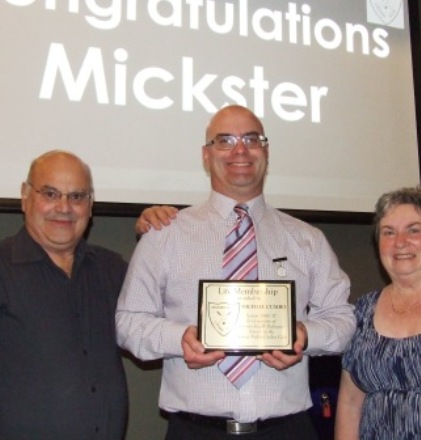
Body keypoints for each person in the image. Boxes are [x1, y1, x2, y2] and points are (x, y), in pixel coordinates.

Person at [116, 105, 356, 439]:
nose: (240, 150)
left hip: (288, 430)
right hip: (195, 430)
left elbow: (343, 320)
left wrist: (306, 335)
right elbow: (128, 322)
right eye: (225, 140)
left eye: (251, 139)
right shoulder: (165, 235)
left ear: (266, 152)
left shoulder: (308, 240)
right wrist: (178, 339)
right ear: (206, 155)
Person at [0, 150, 129, 439]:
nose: (64, 207)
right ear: (25, 196)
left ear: (91, 205)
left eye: (77, 197)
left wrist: (161, 229)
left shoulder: (112, 268)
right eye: (50, 193)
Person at [335, 186, 421, 439]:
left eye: (413, 230)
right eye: (388, 232)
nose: (400, 242)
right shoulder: (364, 311)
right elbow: (350, 403)